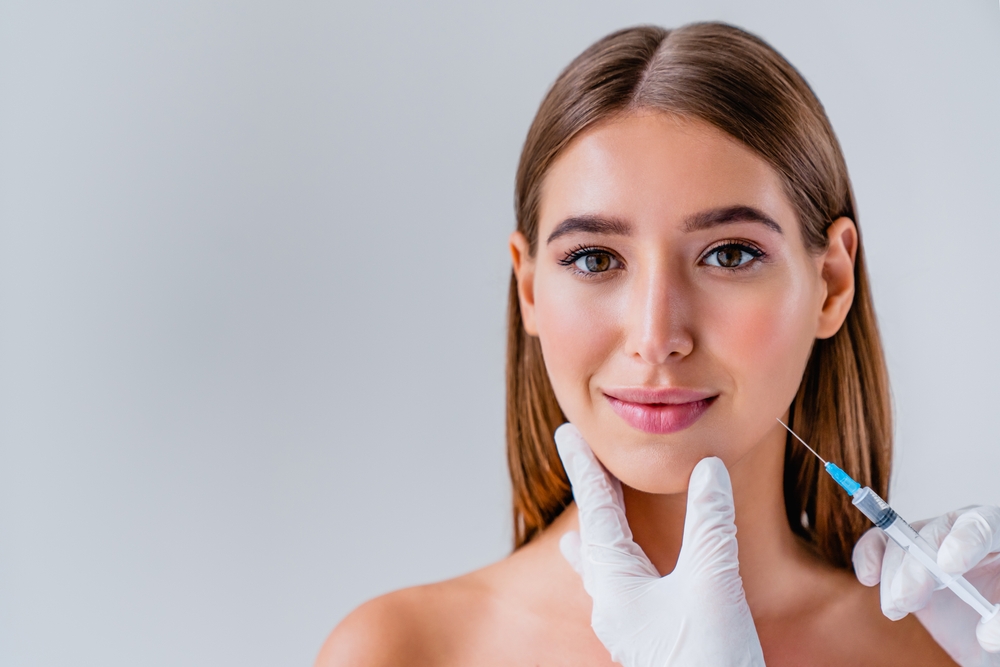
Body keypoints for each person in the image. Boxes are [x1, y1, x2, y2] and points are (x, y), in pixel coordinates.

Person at [317, 22, 1000, 666]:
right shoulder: (404, 650)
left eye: (729, 255)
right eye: (593, 259)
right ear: (528, 290)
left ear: (830, 282)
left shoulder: (947, 645)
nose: (656, 337)